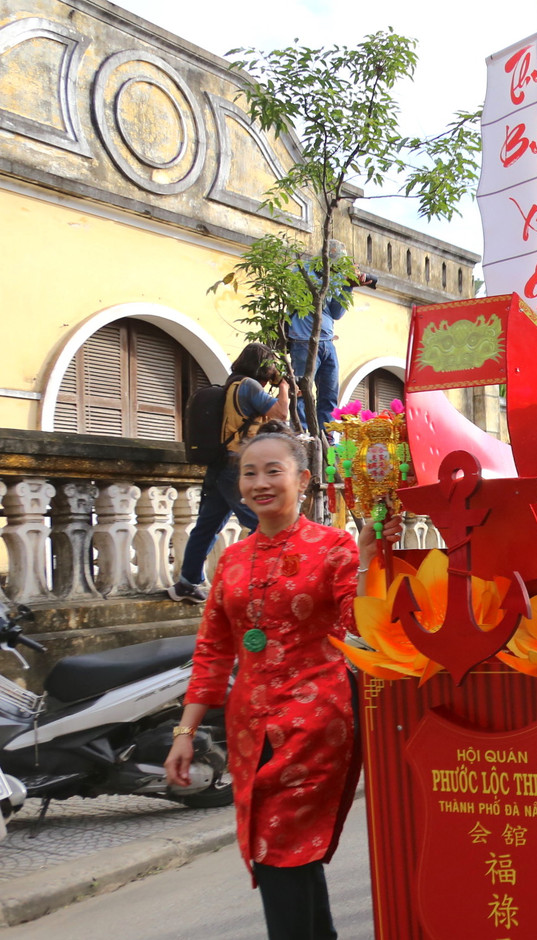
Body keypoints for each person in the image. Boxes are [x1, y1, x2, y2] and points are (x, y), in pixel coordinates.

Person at [164, 422, 384, 939]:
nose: (260, 482)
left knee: (274, 844)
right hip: (249, 725)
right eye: (248, 473)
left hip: (316, 720)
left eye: (273, 471)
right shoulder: (233, 560)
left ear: (303, 480)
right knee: (287, 846)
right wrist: (185, 732)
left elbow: (360, 627)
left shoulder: (333, 549)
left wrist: (369, 563)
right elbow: (213, 650)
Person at [169, 343, 290, 603]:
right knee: (264, 522)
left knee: (207, 525)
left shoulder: (234, 384)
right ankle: (260, 581)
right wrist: (285, 387)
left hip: (221, 463)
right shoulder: (249, 386)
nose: (272, 371)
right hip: (235, 466)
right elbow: (282, 413)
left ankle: (187, 583)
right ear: (263, 365)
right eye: (271, 366)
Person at [288, 239, 375, 434]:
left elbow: (336, 313)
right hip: (303, 340)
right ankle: (301, 434)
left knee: (329, 395)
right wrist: (331, 279)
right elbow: (301, 295)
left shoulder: (337, 277)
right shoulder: (304, 270)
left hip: (327, 341)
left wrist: (348, 287)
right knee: (302, 391)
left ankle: (326, 436)